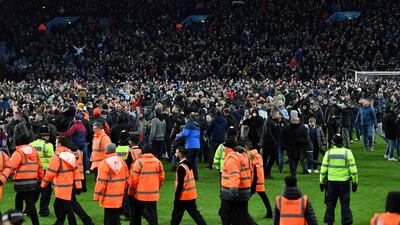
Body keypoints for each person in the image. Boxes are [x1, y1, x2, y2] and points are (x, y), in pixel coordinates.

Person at [41, 136, 82, 225]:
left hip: (61, 187)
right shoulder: (71, 155)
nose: (55, 144)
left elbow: (50, 173)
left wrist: (43, 185)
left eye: (56, 142)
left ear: (59, 143)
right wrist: (78, 186)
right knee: (62, 206)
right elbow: (77, 172)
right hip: (69, 185)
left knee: (66, 208)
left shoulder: (57, 157)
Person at [320, 134, 358, 225]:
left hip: (331, 183)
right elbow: (353, 169)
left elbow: (323, 169)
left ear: (333, 143)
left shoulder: (328, 153)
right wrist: (355, 182)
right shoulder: (347, 152)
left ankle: (329, 222)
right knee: (345, 204)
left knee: (330, 204)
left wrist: (321, 182)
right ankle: (346, 222)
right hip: (344, 183)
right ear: (343, 143)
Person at [9, 131, 44, 225]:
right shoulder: (34, 152)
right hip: (32, 181)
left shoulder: (18, 152)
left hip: (21, 182)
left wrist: (5, 175)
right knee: (19, 201)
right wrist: (41, 179)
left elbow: (11, 167)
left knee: (29, 205)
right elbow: (40, 166)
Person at [128, 144, 165, 225]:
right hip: (153, 193)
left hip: (140, 194)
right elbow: (161, 177)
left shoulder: (139, 162)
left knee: (136, 214)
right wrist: (157, 187)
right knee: (153, 214)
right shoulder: (157, 162)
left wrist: (131, 191)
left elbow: (134, 179)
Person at [219, 145, 256, 225]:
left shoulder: (232, 158)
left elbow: (234, 176)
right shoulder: (245, 156)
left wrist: (233, 191)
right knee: (241, 215)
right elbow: (251, 173)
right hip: (245, 190)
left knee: (226, 214)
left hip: (231, 192)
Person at [170, 145, 207, 225]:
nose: (175, 154)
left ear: (180, 154)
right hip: (191, 195)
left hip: (184, 196)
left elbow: (180, 185)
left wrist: (177, 197)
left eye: (176, 152)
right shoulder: (188, 164)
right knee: (195, 215)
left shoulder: (181, 167)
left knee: (176, 216)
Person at [94, 143, 129, 225]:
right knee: (114, 216)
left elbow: (101, 182)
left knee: (110, 218)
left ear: (106, 151)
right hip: (119, 194)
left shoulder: (104, 163)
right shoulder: (122, 162)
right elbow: (127, 178)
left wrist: (97, 195)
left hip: (108, 195)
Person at [30, 125, 55, 217]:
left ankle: (28, 210)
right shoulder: (48, 145)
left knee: (34, 192)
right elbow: (52, 160)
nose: (48, 137)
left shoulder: (31, 144)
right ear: (44, 136)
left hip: (34, 172)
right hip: (45, 172)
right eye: (47, 135)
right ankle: (44, 211)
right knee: (46, 192)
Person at [246, 141, 273, 219]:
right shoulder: (258, 156)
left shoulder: (251, 157)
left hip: (254, 181)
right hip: (260, 180)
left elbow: (254, 169)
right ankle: (270, 212)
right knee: (264, 197)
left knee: (245, 199)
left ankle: (242, 213)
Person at [260, 108, 285, 178]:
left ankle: (266, 172)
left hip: (273, 144)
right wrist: (274, 142)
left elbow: (279, 130)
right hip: (267, 144)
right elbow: (268, 133)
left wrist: (280, 121)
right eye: (278, 114)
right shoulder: (268, 121)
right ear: (274, 114)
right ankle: (264, 173)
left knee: (272, 157)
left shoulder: (275, 121)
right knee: (265, 159)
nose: (279, 115)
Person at [176, 113, 201, 181]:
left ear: (187, 119)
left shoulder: (188, 124)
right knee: (194, 162)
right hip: (197, 145)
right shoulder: (197, 125)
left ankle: (187, 176)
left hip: (190, 145)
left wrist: (178, 135)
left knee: (188, 161)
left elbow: (185, 134)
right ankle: (196, 177)